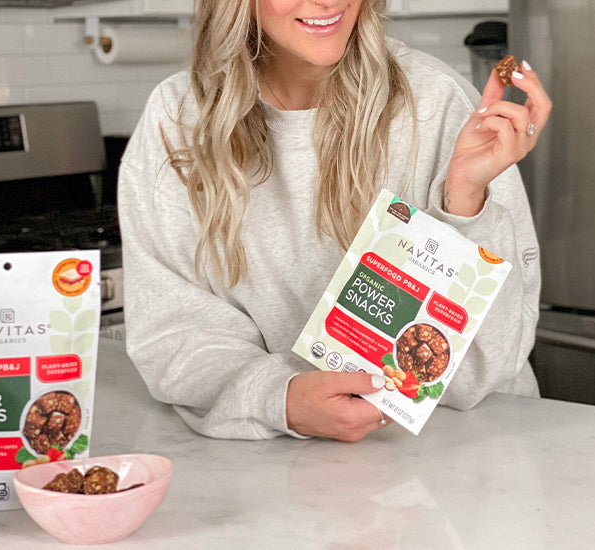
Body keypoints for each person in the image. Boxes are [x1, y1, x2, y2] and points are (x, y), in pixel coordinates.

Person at [118, 0, 552, 442]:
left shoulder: (437, 104)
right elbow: (175, 330)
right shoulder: (176, 120)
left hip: (473, 456)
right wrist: (280, 398)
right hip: (278, 474)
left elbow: (481, 372)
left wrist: (463, 201)